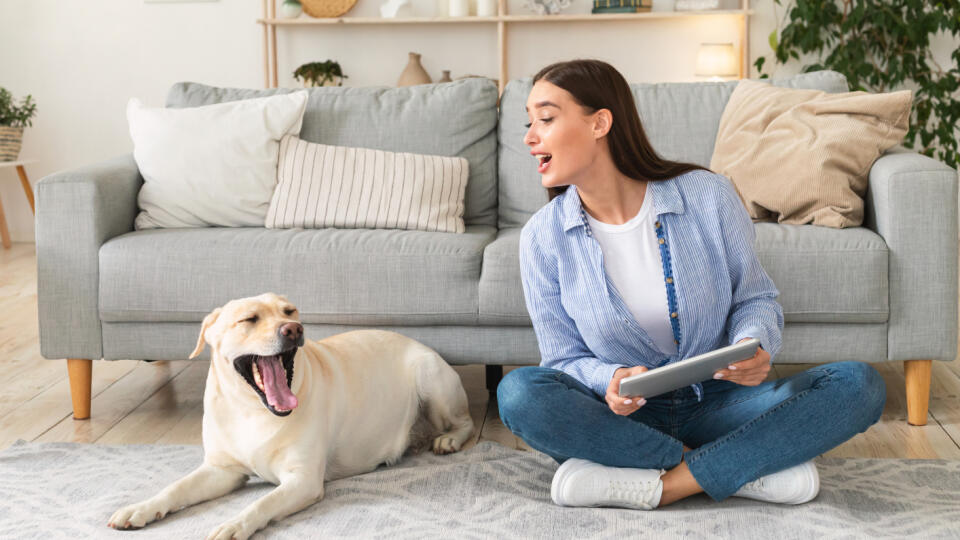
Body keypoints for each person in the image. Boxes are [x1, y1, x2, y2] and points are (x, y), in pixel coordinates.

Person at [497, 59, 887, 510]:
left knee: (859, 384)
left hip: (721, 403)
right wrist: (611, 379)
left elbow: (755, 298)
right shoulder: (543, 237)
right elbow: (563, 358)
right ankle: (735, 468)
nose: (529, 137)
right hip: (622, 416)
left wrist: (754, 346)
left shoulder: (706, 194)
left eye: (545, 119)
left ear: (600, 122)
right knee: (519, 394)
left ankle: (663, 482)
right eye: (530, 123)